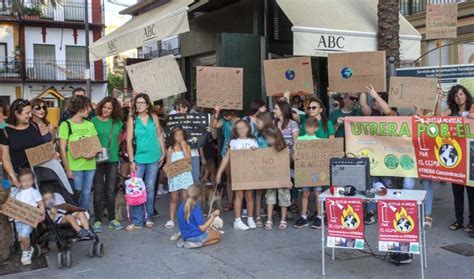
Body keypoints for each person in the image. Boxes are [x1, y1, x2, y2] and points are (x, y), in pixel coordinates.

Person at [125, 93, 165, 231]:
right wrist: (131, 160)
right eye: (137, 103)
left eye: (142, 102)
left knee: (149, 188)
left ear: (148, 105)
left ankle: (148, 216)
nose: (139, 105)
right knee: (136, 189)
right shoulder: (132, 119)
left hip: (154, 156)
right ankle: (137, 220)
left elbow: (159, 135)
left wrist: (163, 152)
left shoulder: (154, 117)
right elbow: (129, 141)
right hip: (138, 158)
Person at [438, 85, 474, 233]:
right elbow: (436, 119)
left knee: (471, 191)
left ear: (466, 95)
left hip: (471, 156)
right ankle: (459, 220)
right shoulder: (450, 112)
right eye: (456, 95)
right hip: (455, 157)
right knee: (457, 191)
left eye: (461, 94)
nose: (459, 97)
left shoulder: (473, 108)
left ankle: (472, 222)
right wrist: (438, 99)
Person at [216, 120, 258, 230]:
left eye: (244, 127)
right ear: (236, 131)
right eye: (239, 128)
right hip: (238, 172)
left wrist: (256, 150)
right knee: (239, 196)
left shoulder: (253, 141)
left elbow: (259, 157)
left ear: (248, 128)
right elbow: (226, 158)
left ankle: (250, 218)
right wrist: (219, 172)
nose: (242, 130)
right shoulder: (234, 142)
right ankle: (237, 220)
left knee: (250, 196)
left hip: (250, 172)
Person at [58, 95, 98, 211]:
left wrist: (93, 154)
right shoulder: (66, 125)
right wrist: (67, 169)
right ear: (79, 108)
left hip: (90, 165)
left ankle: (84, 219)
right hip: (75, 167)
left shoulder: (89, 124)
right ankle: (76, 221)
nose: (90, 110)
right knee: (76, 195)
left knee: (86, 195)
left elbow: (95, 144)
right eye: (87, 107)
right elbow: (62, 149)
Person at [91, 97, 124, 232]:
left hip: (112, 158)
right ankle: (97, 220)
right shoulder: (93, 121)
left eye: (109, 108)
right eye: (104, 107)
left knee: (110, 190)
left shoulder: (117, 123)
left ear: (113, 110)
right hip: (97, 159)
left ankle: (112, 218)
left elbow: (118, 140)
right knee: (98, 190)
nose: (106, 110)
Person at [0, 99, 44, 186]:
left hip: (37, 174)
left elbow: (40, 148)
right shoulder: (4, 130)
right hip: (17, 175)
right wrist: (13, 177)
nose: (30, 115)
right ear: (16, 113)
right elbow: (5, 156)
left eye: (31, 112)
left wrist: (52, 154)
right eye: (27, 113)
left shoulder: (34, 126)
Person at [294, 118, 325, 229]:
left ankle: (319, 216)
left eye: (312, 127)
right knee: (305, 193)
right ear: (304, 127)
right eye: (307, 126)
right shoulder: (300, 139)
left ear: (316, 128)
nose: (309, 128)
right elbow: (295, 153)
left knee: (317, 193)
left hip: (316, 170)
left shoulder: (319, 140)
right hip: (305, 170)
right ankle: (303, 216)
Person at [11, 169, 45, 266]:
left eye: (29, 180)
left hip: (29, 219)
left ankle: (28, 250)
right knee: (21, 239)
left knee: (24, 236)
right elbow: (5, 185)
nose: (26, 183)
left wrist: (42, 214)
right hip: (18, 219)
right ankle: (25, 254)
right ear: (20, 182)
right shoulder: (17, 192)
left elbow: (40, 203)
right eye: (24, 181)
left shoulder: (33, 192)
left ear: (33, 180)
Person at [165, 127, 194, 229]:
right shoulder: (170, 149)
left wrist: (184, 147)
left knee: (185, 198)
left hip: (185, 175)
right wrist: (168, 175)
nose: (179, 137)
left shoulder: (188, 147)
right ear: (173, 137)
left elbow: (189, 161)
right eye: (177, 135)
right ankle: (171, 219)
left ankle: (186, 218)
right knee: (173, 198)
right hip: (175, 176)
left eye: (181, 135)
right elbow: (168, 163)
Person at [211, 107, 239, 212]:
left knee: (239, 176)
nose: (225, 116)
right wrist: (216, 112)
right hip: (227, 148)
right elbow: (214, 125)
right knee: (229, 177)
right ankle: (230, 201)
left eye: (227, 114)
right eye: (224, 114)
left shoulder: (239, 121)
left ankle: (239, 200)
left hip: (238, 148)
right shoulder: (223, 120)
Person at [262, 127, 290, 230]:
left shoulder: (284, 149)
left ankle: (283, 220)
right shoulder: (266, 149)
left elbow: (286, 165)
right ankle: (269, 220)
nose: (267, 140)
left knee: (284, 199)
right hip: (271, 177)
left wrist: (288, 180)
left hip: (282, 177)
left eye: (269, 138)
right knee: (270, 198)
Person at [174, 99, 205, 184]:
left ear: (186, 108)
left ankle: (195, 197)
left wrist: (202, 157)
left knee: (195, 180)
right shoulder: (173, 123)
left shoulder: (194, 121)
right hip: (179, 155)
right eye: (176, 109)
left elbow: (200, 139)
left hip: (194, 154)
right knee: (182, 182)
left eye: (179, 109)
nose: (177, 112)